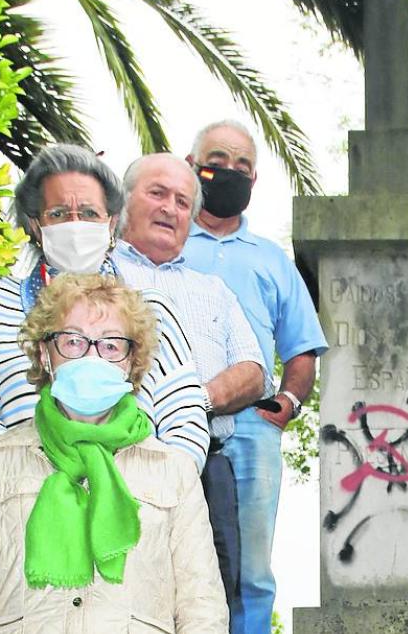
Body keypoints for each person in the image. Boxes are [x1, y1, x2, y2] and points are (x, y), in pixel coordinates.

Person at [0, 274, 228, 633]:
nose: (91, 356)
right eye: (73, 341)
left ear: (132, 362)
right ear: (44, 352)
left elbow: (202, 608)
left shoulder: (174, 471)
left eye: (111, 345)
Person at [0, 143, 211, 470]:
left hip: (137, 507)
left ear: (111, 223)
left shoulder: (155, 311)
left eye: (88, 213)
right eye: (58, 214)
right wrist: (23, 486)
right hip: (17, 505)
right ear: (35, 226)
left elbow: (186, 423)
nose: (74, 223)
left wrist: (147, 490)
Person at [182, 120, 328, 634]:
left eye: (243, 165)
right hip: (165, 423)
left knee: (250, 570)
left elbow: (303, 346)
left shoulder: (272, 260)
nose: (230, 171)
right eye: (217, 159)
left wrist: (287, 402)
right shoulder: (165, 245)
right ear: (191, 164)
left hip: (250, 432)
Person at [112, 152, 267, 627]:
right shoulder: (94, 276)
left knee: (208, 601)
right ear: (123, 201)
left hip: (204, 469)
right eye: (157, 193)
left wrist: (191, 402)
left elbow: (256, 370)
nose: (170, 208)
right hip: (113, 461)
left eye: (182, 201)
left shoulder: (214, 290)